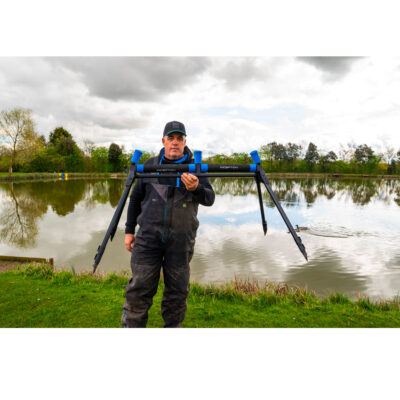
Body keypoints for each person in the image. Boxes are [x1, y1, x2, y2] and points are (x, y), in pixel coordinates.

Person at [122, 121, 215, 327]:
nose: (175, 142)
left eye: (179, 138)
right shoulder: (149, 166)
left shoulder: (196, 168)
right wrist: (129, 231)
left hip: (181, 242)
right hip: (147, 240)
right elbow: (135, 199)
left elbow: (209, 198)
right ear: (163, 141)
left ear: (185, 142)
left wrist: (196, 188)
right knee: (139, 290)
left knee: (177, 293)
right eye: (171, 138)